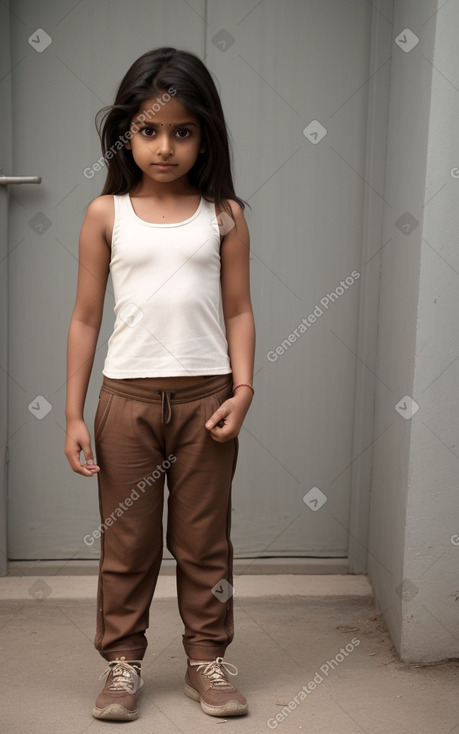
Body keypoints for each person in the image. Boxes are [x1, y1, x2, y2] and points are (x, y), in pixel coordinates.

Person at [64, 47, 255, 722]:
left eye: (182, 131)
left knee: (205, 540)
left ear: (205, 136)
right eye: (149, 131)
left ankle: (207, 658)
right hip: (126, 405)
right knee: (129, 541)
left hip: (207, 401)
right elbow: (86, 317)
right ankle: (123, 663)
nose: (165, 147)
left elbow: (238, 308)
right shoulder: (105, 214)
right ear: (127, 133)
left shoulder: (223, 214)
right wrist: (74, 414)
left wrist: (244, 389)